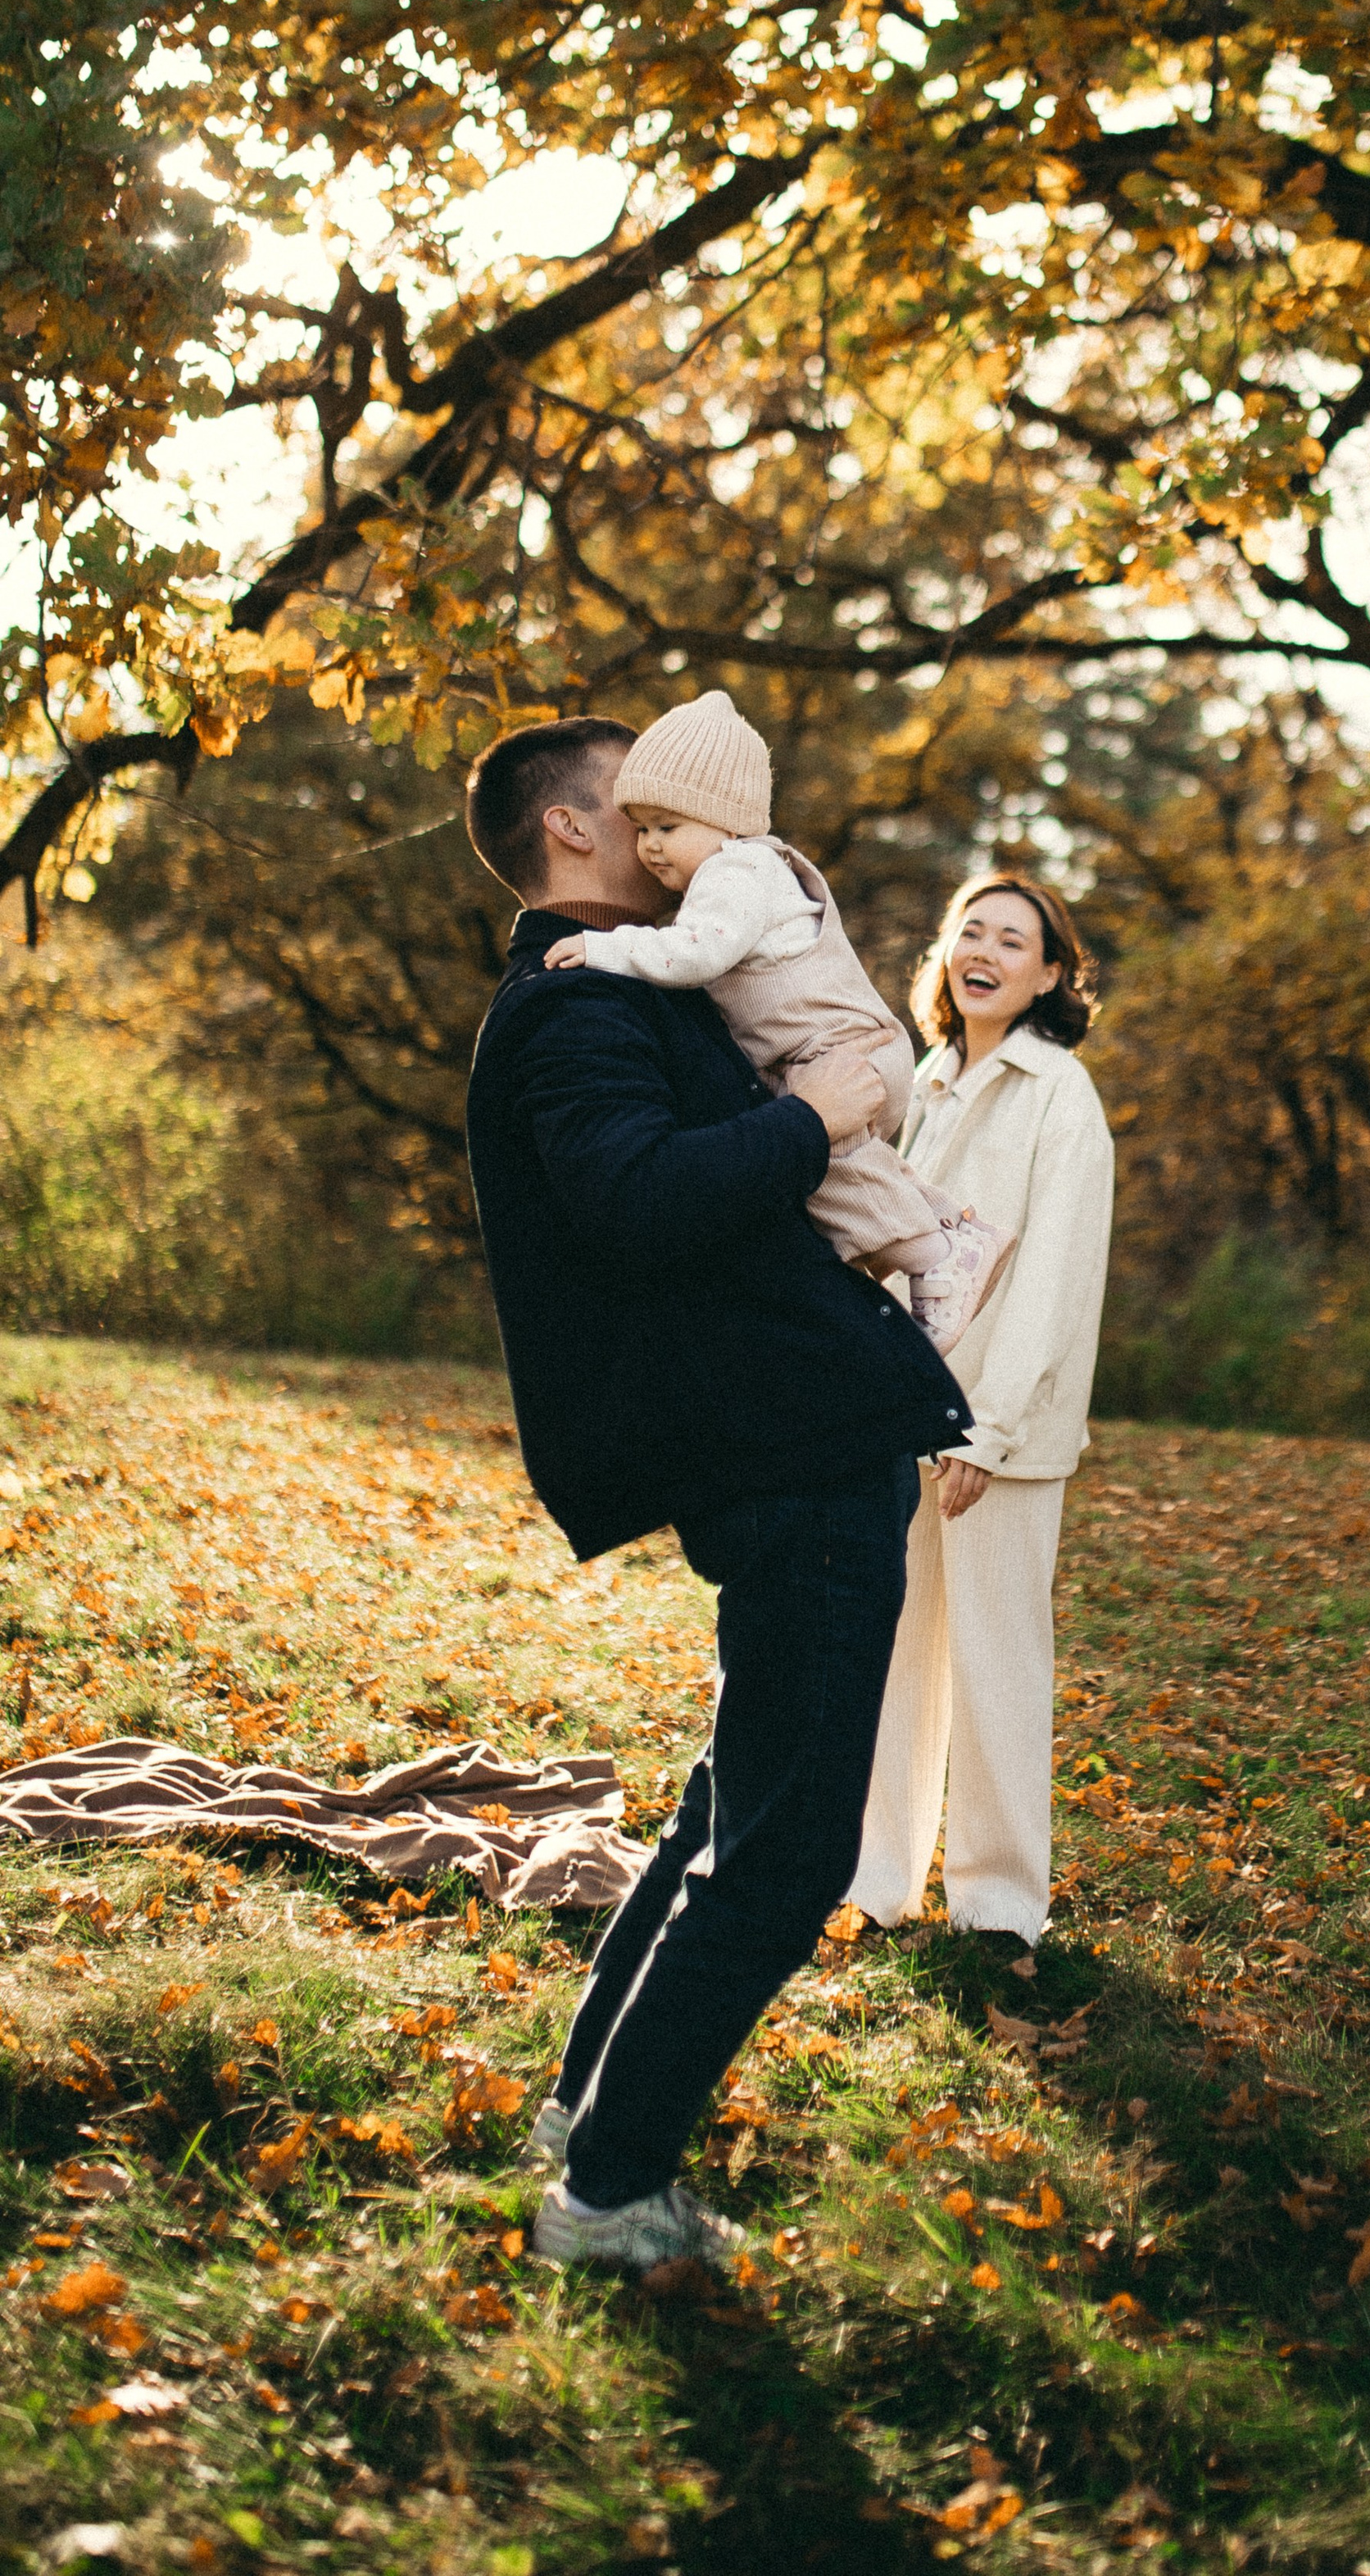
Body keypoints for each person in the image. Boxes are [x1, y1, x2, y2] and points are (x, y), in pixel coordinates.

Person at [460, 715, 974, 2271]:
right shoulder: (574, 1010)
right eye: (638, 805)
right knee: (791, 1846)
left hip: (802, 1435)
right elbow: (637, 1201)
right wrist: (825, 1114)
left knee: (730, 1804)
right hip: (789, 1451)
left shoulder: (654, 985)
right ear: (571, 830)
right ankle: (609, 2197)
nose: (673, 829)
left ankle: (585, 2117)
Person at [543, 690, 1011, 1352]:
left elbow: (697, 954)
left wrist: (606, 948)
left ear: (727, 821)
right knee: (843, 1166)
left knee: (827, 1155)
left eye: (667, 827)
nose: (649, 847)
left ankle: (933, 1261)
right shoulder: (740, 873)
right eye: (641, 828)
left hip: (837, 1052)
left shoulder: (736, 873)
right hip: (841, 1049)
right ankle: (947, 1223)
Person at [847, 875, 1115, 1953]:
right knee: (894, 1658)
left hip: (1001, 1436)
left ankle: (999, 1908)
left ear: (1050, 975)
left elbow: (1053, 1281)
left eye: (1013, 940)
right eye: (972, 932)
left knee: (998, 1665)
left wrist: (986, 1434)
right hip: (900, 1414)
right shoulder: (925, 1082)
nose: (985, 952)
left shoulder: (1060, 1094)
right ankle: (877, 1882)